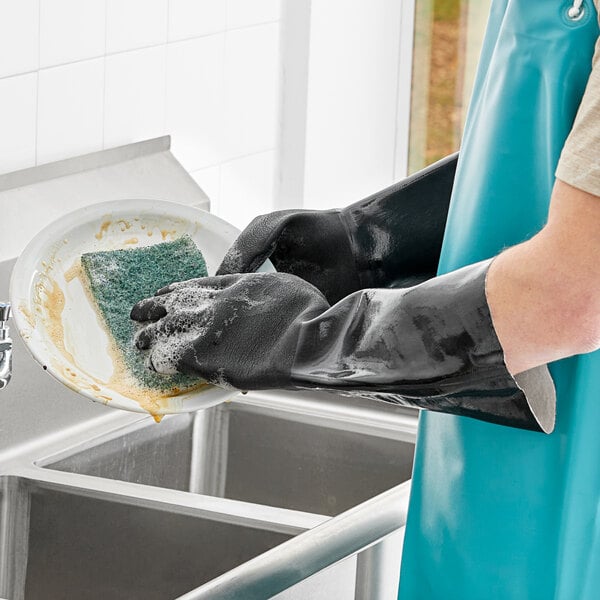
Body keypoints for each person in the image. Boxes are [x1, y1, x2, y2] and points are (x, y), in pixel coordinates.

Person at [132, 0, 600, 596]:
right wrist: (374, 240)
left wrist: (302, 338)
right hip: (501, 472)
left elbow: (574, 294)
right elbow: (564, 145)